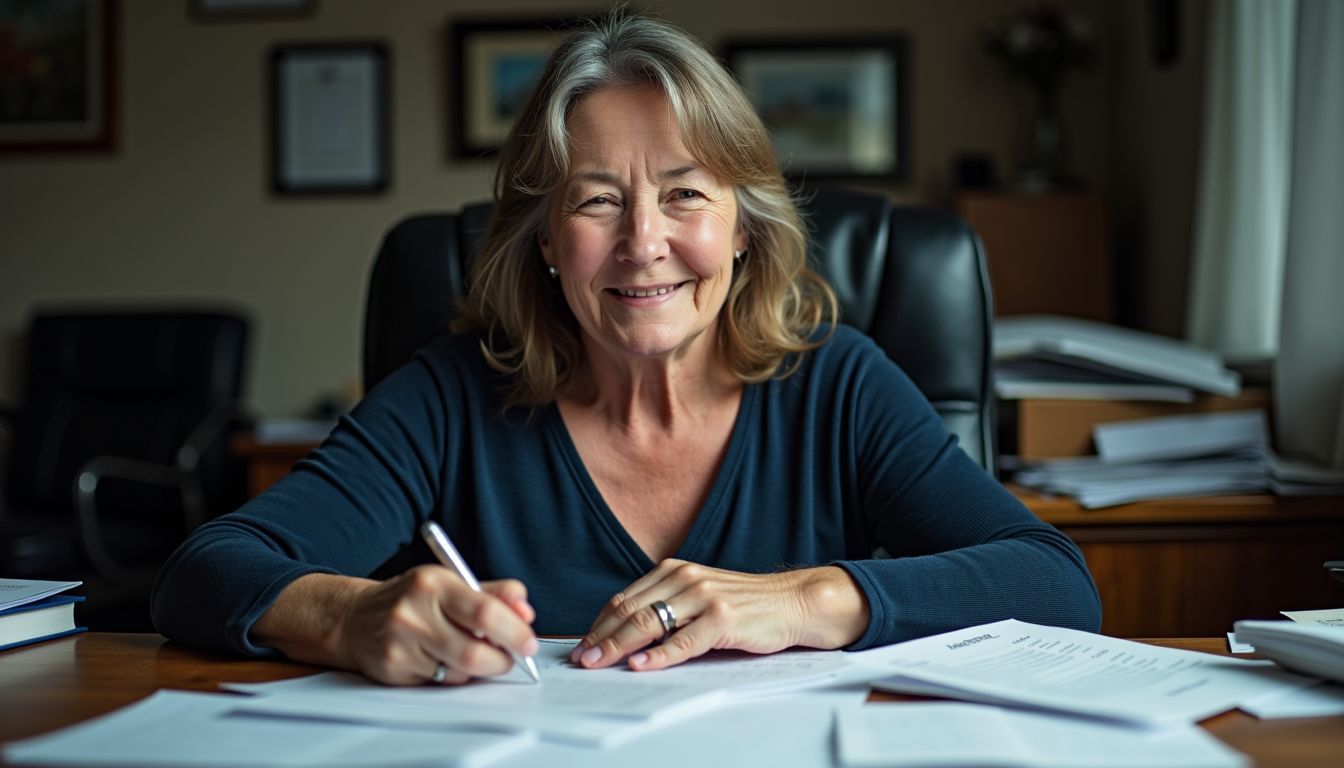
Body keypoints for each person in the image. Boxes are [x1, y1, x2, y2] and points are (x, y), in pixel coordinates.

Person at [152, 12, 1100, 686]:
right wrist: (350, 616)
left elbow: (1054, 582)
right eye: (598, 199)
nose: (644, 242)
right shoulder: (451, 395)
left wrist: (806, 599)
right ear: (545, 238)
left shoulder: (837, 382)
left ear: (741, 228)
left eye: (686, 194)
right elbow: (207, 569)